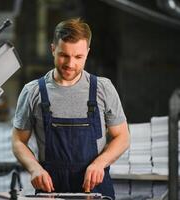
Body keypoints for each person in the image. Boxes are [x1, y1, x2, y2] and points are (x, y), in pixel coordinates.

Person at [11, 17, 130, 199]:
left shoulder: (102, 89)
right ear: (53, 49)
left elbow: (122, 136)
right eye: (63, 55)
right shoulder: (33, 91)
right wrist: (34, 169)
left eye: (78, 57)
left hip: (95, 188)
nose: (70, 64)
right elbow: (18, 141)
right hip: (50, 189)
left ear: (87, 53)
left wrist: (100, 163)